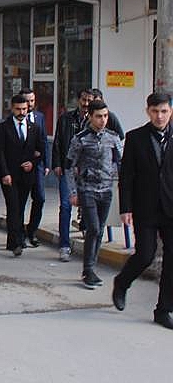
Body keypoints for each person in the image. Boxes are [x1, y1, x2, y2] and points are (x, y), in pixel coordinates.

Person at [113, 92, 173, 329]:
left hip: (170, 207)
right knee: (145, 255)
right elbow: (127, 176)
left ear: (170, 111)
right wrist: (125, 208)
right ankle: (122, 282)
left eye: (164, 111)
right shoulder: (135, 138)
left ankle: (163, 309)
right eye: (155, 111)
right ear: (147, 111)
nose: (160, 116)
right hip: (145, 208)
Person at [65, 99, 122, 289]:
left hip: (106, 189)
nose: (103, 120)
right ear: (90, 116)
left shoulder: (112, 137)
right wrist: (73, 192)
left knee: (100, 230)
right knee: (94, 229)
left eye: (105, 116)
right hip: (87, 189)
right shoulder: (80, 139)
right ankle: (88, 269)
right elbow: (69, 166)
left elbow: (120, 162)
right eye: (98, 116)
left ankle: (90, 267)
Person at [0, 94, 46, 257]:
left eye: (24, 109)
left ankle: (13, 240)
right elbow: (0, 152)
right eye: (18, 109)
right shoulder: (4, 127)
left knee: (20, 207)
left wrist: (32, 163)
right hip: (9, 175)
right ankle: (17, 242)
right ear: (12, 108)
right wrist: (4, 173)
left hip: (26, 175)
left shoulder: (34, 128)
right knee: (13, 207)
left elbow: (41, 150)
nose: (21, 112)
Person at [52, 88, 95, 262]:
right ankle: (64, 245)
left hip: (88, 172)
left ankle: (88, 240)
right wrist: (57, 164)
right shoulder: (66, 119)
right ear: (78, 100)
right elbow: (57, 142)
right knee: (66, 205)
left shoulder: (96, 120)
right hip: (68, 169)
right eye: (83, 100)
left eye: (89, 101)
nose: (86, 104)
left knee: (88, 206)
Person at [21, 88, 49, 249]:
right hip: (21, 166)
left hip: (37, 165)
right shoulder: (14, 120)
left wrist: (46, 163)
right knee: (21, 200)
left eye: (32, 100)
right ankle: (18, 233)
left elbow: (44, 141)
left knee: (40, 198)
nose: (30, 104)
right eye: (27, 101)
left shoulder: (40, 117)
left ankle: (31, 231)